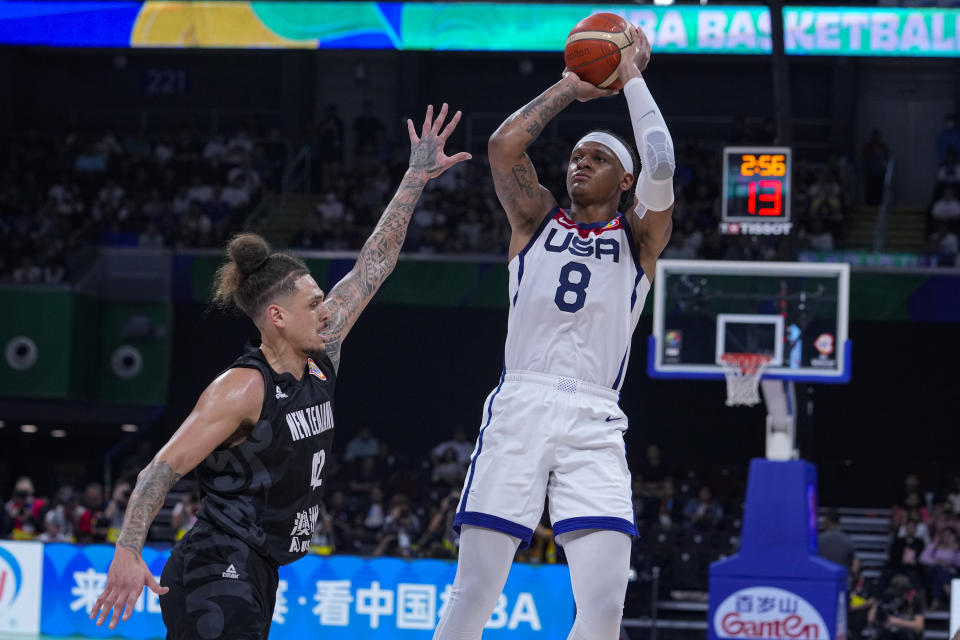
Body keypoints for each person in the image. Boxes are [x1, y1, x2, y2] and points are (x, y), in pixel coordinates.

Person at [90, 104, 471, 636]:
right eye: (314, 302)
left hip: (257, 568)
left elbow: (373, 264)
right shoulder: (242, 388)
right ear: (277, 316)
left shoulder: (323, 351)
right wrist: (127, 551)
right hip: (216, 562)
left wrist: (414, 179)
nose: (327, 309)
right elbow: (161, 469)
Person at [434, 25, 674, 639]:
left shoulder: (639, 238)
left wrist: (630, 74)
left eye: (595, 160)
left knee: (604, 605)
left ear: (624, 181)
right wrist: (571, 86)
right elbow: (502, 147)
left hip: (595, 417)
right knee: (475, 593)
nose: (578, 165)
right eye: (574, 158)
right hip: (522, 401)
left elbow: (663, 159)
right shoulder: (536, 217)